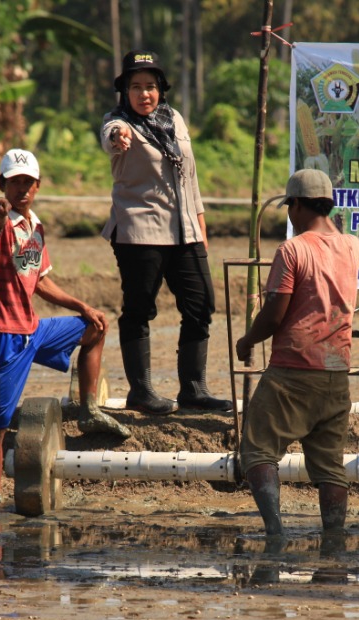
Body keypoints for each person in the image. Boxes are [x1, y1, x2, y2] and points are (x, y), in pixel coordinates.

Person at [0, 149, 131, 505]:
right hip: (0, 335)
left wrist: (83, 306)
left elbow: (39, 282)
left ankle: (88, 409)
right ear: (2, 185)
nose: (21, 189)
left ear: (38, 185)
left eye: (27, 182)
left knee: (94, 328)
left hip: (31, 328)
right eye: (14, 182)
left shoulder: (34, 227)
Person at [235, 169, 359, 542]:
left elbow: (275, 312)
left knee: (258, 448)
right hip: (337, 370)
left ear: (297, 206)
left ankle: (275, 533)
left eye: (290, 206)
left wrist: (247, 341)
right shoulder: (354, 246)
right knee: (329, 466)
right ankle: (334, 536)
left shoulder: (292, 250)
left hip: (292, 368)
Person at [100, 50, 230, 414]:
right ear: (124, 91)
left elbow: (192, 180)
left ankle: (193, 390)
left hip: (185, 232)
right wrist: (118, 137)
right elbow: (111, 136)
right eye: (136, 87)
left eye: (151, 87)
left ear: (161, 89)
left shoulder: (175, 119)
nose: (144, 94)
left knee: (201, 303)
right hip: (139, 233)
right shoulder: (117, 122)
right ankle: (141, 391)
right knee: (139, 308)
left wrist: (201, 232)